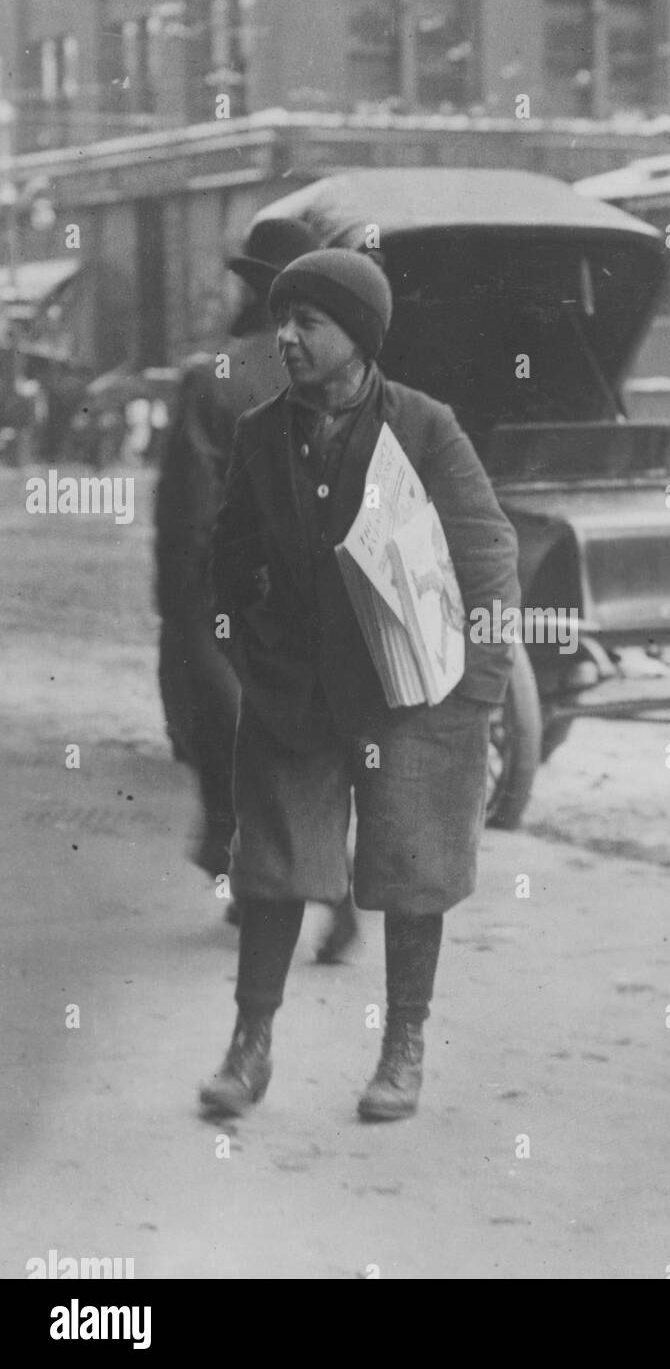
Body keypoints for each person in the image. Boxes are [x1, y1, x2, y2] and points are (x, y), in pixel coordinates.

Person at [199, 248, 520, 1122]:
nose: (288, 337)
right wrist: (254, 650)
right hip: (296, 689)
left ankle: (401, 1049)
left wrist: (475, 686)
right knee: (270, 865)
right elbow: (227, 559)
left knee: (414, 866)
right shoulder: (261, 432)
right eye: (282, 319)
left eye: (310, 322)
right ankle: (249, 1046)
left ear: (361, 336)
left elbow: (487, 556)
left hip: (410, 690)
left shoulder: (424, 428)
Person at [155, 218, 357, 958]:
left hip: (229, 594)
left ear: (249, 288)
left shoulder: (214, 375)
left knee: (231, 733)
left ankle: (277, 878)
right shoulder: (344, 368)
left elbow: (187, 510)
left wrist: (180, 606)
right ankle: (302, 884)